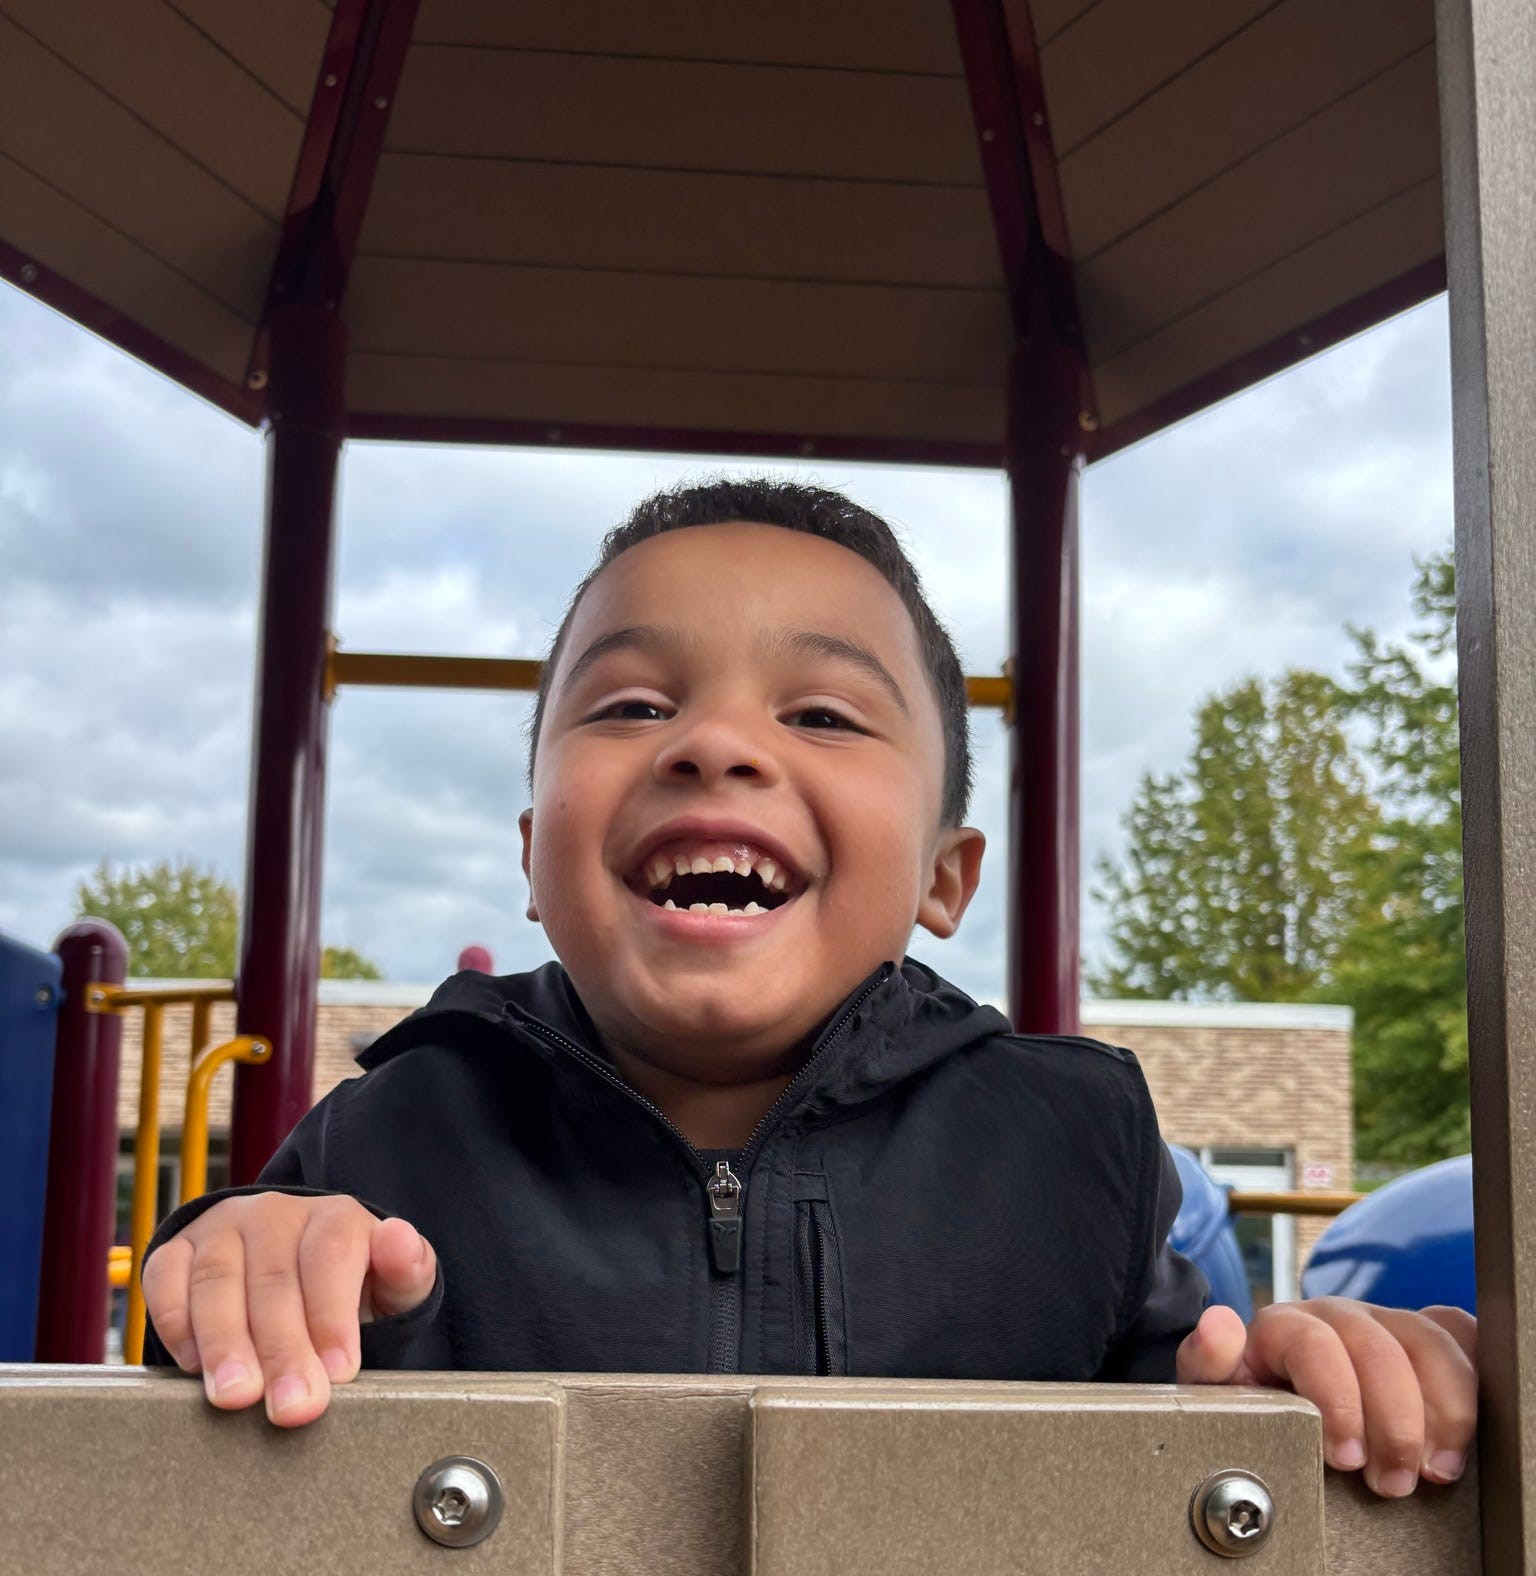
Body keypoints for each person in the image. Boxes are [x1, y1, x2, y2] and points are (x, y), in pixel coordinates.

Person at [141, 478, 1477, 1501]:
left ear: (943, 881)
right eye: (630, 707)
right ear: (532, 863)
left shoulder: (1072, 1149)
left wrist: (1313, 1390)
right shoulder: (394, 1137)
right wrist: (237, 1273)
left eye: (823, 716)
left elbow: (1199, 1450)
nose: (715, 743)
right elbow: (209, 1489)